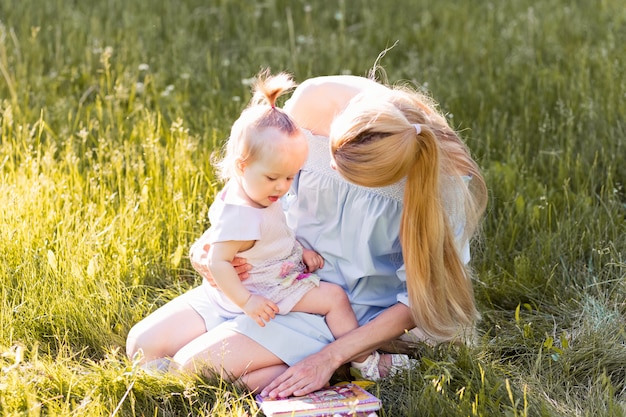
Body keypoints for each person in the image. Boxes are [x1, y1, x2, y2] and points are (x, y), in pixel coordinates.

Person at [126, 68, 488, 397]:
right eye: (334, 153)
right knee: (143, 345)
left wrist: (329, 357)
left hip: (342, 308)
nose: (331, 165)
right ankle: (291, 364)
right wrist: (209, 247)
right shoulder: (318, 101)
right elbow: (255, 180)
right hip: (276, 272)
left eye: (350, 174)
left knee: (194, 370)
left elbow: (417, 302)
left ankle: (352, 359)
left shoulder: (443, 185)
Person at [125, 70, 382, 384]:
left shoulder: (256, 189)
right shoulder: (241, 215)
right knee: (336, 300)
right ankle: (350, 364)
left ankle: (362, 361)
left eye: (290, 177)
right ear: (241, 165)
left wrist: (303, 250)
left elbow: (277, 233)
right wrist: (247, 302)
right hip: (265, 290)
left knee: (334, 300)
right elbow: (218, 261)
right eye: (274, 178)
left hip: (269, 282)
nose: (282, 187)